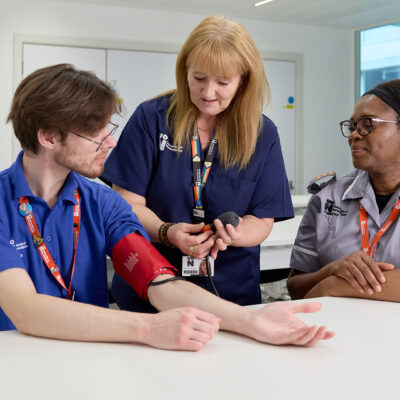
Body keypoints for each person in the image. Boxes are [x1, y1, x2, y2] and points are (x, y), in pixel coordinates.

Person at [0, 63, 334, 349]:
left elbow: (159, 282)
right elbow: (25, 309)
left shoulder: (102, 203)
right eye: (95, 133)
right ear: (48, 137)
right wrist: (147, 329)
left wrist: (250, 320)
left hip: (91, 356)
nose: (111, 141)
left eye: (108, 128)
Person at [102, 15, 294, 311]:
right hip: (151, 288)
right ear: (184, 71)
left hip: (230, 295)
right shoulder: (152, 118)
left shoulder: (262, 134)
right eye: (199, 78)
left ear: (244, 81)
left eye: (222, 82)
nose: (208, 92)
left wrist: (233, 234)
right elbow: (126, 203)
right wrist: (167, 232)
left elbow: (262, 219)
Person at [287, 79, 400, 302]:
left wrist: (335, 286)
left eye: (368, 124)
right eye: (352, 126)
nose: (354, 135)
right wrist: (330, 271)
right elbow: (295, 288)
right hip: (335, 330)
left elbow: (325, 290)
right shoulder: (328, 197)